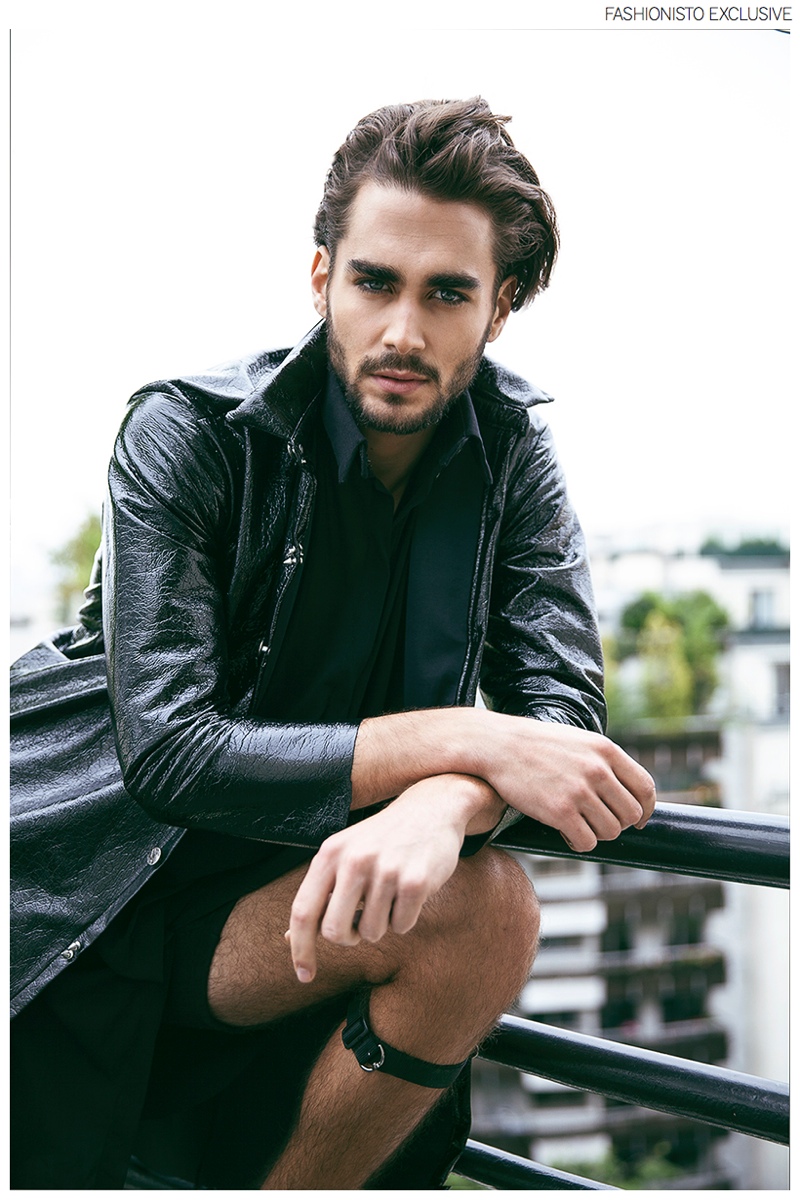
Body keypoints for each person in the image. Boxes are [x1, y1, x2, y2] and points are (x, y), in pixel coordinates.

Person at [10, 96, 656, 1190]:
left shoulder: (512, 457)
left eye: (447, 293)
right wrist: (466, 738)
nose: (403, 329)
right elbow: (169, 751)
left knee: (486, 909)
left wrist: (444, 800)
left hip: (295, 897)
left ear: (497, 309)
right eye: (374, 282)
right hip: (99, 897)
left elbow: (561, 718)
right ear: (322, 280)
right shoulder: (188, 433)